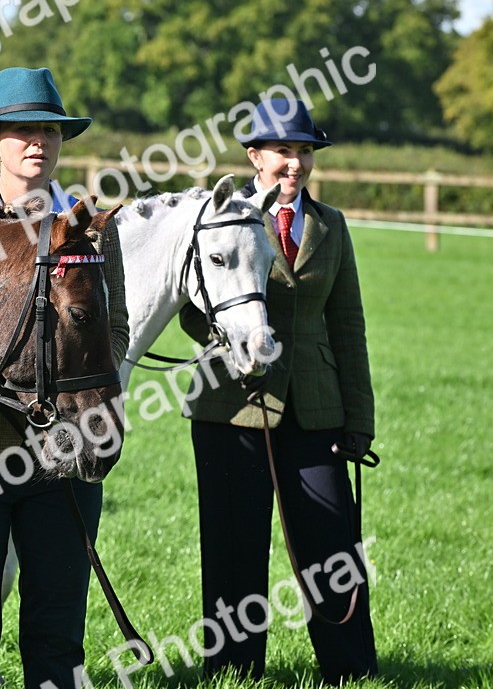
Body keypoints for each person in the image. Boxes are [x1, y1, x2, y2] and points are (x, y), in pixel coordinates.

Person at [0, 67, 129, 689]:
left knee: (57, 634)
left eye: (47, 130)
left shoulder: (89, 225)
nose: (36, 142)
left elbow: (111, 331)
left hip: (64, 458)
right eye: (20, 131)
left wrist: (78, 395)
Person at [178, 98, 378, 684]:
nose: (295, 163)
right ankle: (234, 669)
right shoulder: (224, 214)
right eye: (284, 151)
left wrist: (358, 418)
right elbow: (194, 303)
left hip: (317, 409)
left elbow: (349, 324)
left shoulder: (331, 226)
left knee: (331, 544)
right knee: (234, 543)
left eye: (304, 151)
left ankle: (351, 669)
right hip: (229, 403)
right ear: (255, 156)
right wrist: (236, 340)